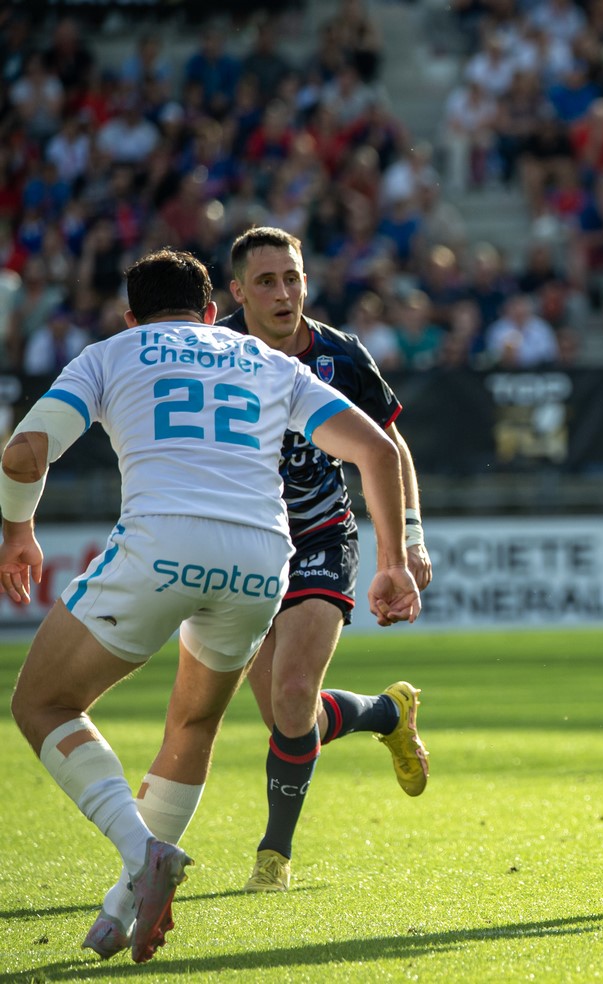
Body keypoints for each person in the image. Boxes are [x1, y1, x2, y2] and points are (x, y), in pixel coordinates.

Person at [4, 248, 420, 963]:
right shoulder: (268, 361)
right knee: (192, 722)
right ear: (210, 312)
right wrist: (394, 562)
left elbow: (24, 454)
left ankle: (143, 855)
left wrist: (18, 531)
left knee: (42, 704)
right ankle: (123, 910)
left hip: (160, 545)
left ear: (131, 317)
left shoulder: (111, 354)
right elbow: (379, 453)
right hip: (261, 560)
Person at [220, 226, 434, 892]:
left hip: (320, 536)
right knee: (293, 720)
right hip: (243, 547)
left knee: (290, 697)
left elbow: (388, 448)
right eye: (266, 281)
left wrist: (408, 536)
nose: (284, 294)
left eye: (294, 278)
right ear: (237, 292)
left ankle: (273, 856)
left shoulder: (341, 354)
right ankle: (385, 714)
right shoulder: (213, 354)